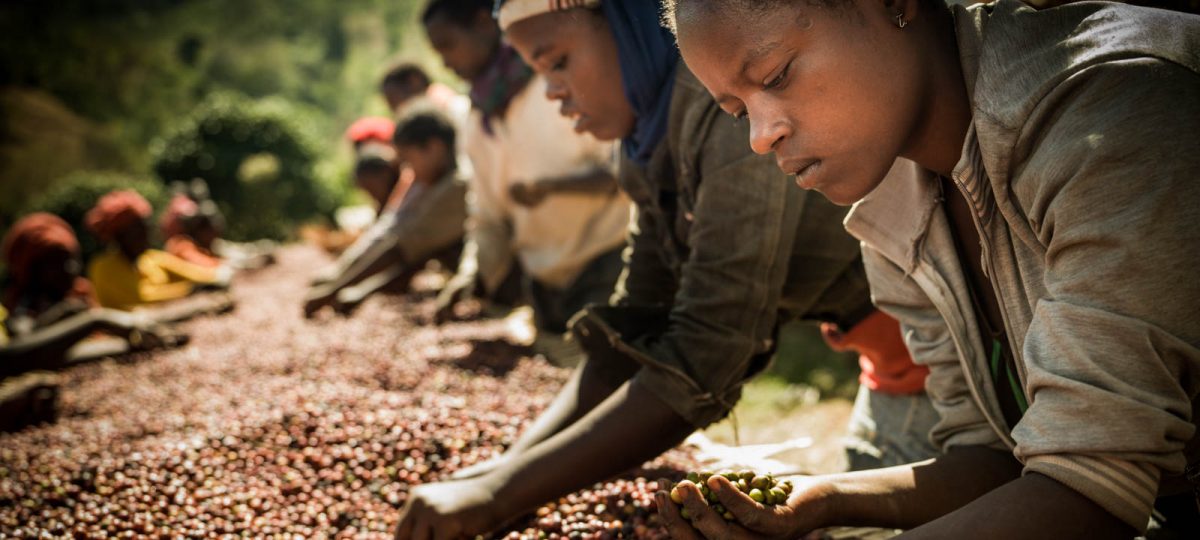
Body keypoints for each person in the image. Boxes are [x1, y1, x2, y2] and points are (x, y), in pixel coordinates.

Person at [391, 1, 935, 538]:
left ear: (628, 25)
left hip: (941, 360)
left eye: (558, 63)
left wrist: (496, 496)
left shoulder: (729, 117)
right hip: (894, 369)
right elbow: (636, 323)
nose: (553, 91)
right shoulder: (646, 146)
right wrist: (496, 472)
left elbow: (705, 350)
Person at [664, 0, 1200, 537]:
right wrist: (826, 498)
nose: (760, 136)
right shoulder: (895, 205)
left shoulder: (1116, 111)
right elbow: (999, 458)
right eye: (737, 111)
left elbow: (1090, 489)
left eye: (776, 75)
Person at [421, 0, 631, 349]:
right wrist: (474, 272)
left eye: (447, 45)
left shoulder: (559, 88)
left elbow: (621, 172)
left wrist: (553, 188)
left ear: (484, 24)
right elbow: (488, 216)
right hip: (544, 282)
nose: (444, 61)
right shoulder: (477, 123)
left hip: (607, 261)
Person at [304, 107, 468, 317]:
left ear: (434, 148)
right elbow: (394, 233)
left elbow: (401, 247)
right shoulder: (428, 181)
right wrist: (347, 282)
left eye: (409, 161)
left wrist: (333, 290)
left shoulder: (456, 186)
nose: (408, 171)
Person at [1, 213, 183, 375]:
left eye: (71, 259)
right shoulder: (24, 306)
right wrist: (95, 320)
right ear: (33, 272)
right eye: (55, 264)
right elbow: (20, 354)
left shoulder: (76, 296)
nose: (69, 269)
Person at [86, 190, 230, 311]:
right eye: (138, 231)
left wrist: (209, 282)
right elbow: (141, 298)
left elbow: (205, 275)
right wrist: (192, 290)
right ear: (119, 236)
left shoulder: (152, 259)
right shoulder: (103, 268)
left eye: (146, 228)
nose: (147, 236)